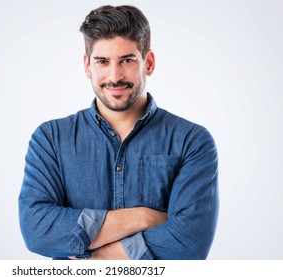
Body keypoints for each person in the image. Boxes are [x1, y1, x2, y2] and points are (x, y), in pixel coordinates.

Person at [18, 5, 218, 260]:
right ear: (87, 66)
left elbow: (190, 242)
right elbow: (37, 230)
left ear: (149, 63)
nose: (114, 76)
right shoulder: (50, 139)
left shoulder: (192, 141)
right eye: (102, 61)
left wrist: (92, 259)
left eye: (127, 60)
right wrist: (144, 217)